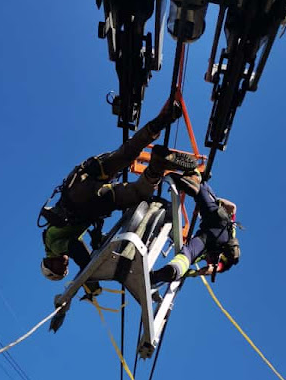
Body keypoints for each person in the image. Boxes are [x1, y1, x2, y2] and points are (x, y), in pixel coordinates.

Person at [40, 102, 198, 281]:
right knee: (132, 174)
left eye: (59, 269)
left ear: (49, 263)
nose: (64, 266)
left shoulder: (52, 245)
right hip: (92, 200)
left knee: (127, 164)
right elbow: (77, 241)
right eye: (64, 271)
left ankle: (160, 137)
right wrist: (98, 240)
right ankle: (157, 160)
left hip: (80, 196)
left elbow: (75, 248)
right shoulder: (59, 235)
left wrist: (89, 276)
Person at [150, 170, 240, 283]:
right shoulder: (222, 263)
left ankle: (196, 180)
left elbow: (233, 207)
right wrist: (195, 273)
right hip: (209, 239)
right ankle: (174, 269)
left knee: (202, 193)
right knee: (188, 254)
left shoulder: (231, 233)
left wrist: (218, 201)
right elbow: (210, 269)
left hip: (219, 226)